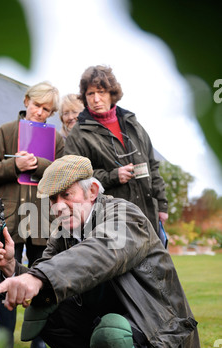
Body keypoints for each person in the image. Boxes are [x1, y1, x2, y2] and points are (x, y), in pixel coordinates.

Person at [0, 155, 202, 348]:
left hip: (155, 327)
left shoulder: (125, 215)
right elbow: (48, 274)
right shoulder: (63, 230)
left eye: (67, 195)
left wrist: (38, 278)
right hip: (108, 318)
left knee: (110, 335)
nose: (59, 206)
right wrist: (11, 267)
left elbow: (100, 253)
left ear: (92, 191)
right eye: (53, 200)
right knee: (45, 310)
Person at [0, 81, 64, 348]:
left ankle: (39, 340)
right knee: (6, 279)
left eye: (47, 110)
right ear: (27, 100)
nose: (41, 112)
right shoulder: (5, 131)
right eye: (37, 105)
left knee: (39, 278)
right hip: (8, 216)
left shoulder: (57, 139)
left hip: (41, 215)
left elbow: (64, 174)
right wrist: (15, 166)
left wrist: (37, 164)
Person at [64, 65, 168, 234]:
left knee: (154, 261)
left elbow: (152, 167)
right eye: (90, 93)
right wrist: (113, 176)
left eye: (101, 92)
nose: (96, 99)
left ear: (112, 94)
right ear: (85, 97)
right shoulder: (79, 133)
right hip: (110, 221)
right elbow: (74, 177)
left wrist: (162, 205)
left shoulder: (133, 124)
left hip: (147, 217)